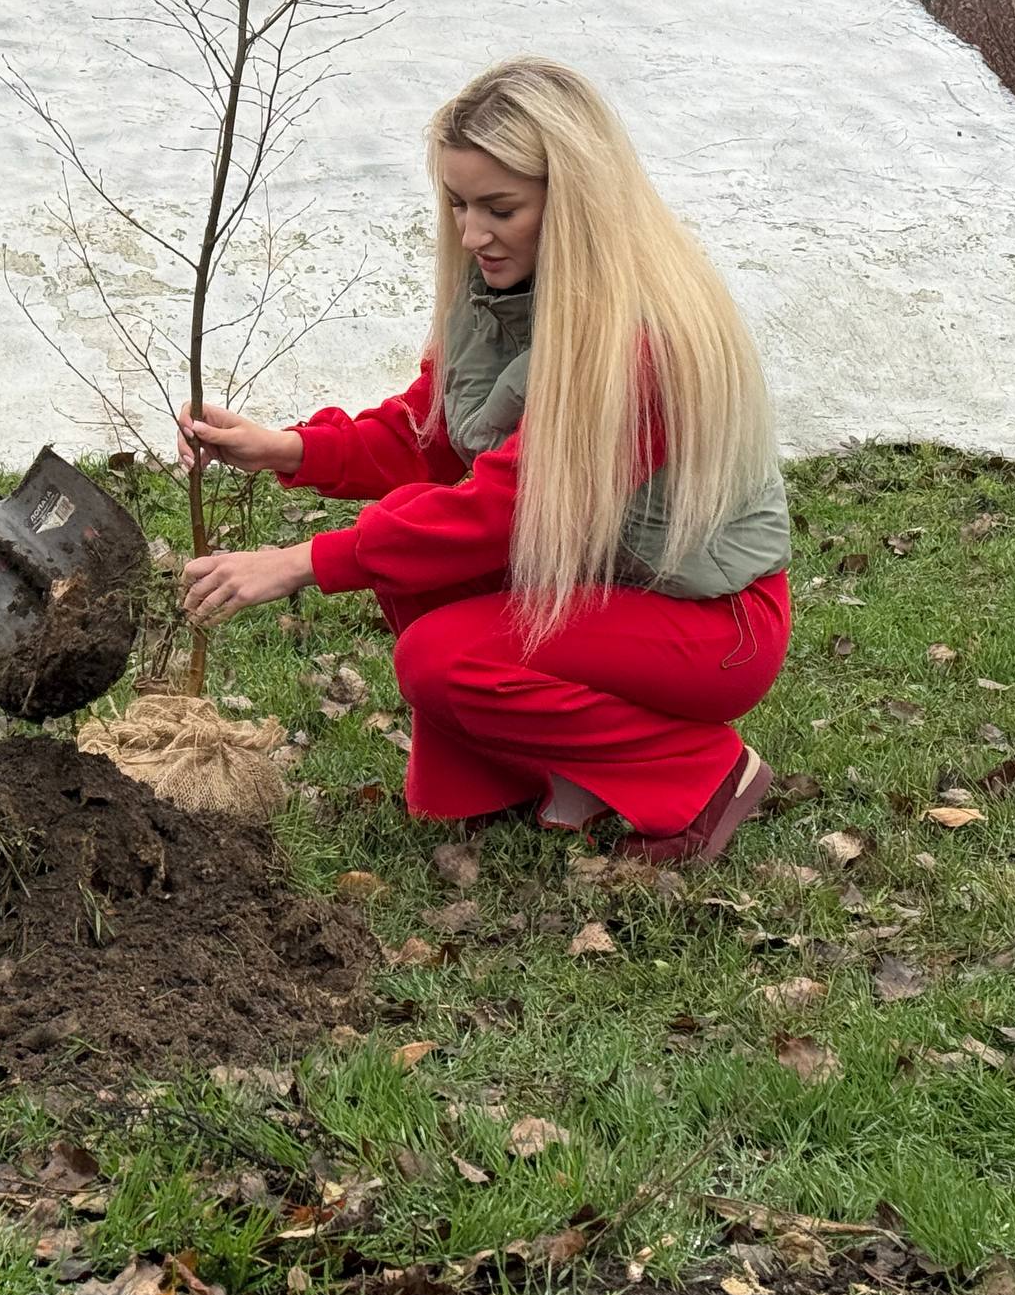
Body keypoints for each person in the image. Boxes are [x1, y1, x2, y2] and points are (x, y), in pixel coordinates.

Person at [176, 58, 793, 860]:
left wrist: (303, 561)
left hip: (712, 626)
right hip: (604, 583)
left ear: (577, 203)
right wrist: (284, 447)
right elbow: (427, 436)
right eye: (459, 204)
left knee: (441, 656)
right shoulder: (501, 296)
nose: (470, 235)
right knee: (405, 536)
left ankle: (704, 770)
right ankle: (547, 774)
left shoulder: (644, 341)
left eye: (500, 208)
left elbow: (508, 507)